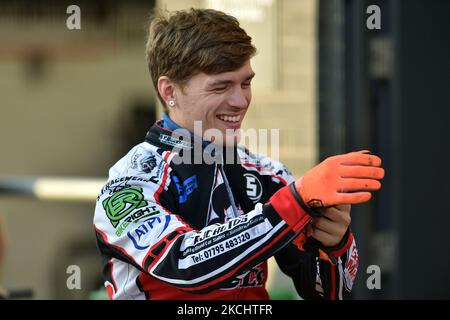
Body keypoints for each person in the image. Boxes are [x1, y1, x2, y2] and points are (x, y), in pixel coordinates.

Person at [93, 8, 384, 300]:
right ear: (170, 91)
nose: (240, 100)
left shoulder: (268, 173)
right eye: (221, 86)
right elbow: (184, 264)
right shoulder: (130, 182)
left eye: (246, 83)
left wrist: (334, 246)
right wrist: (293, 203)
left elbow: (328, 294)